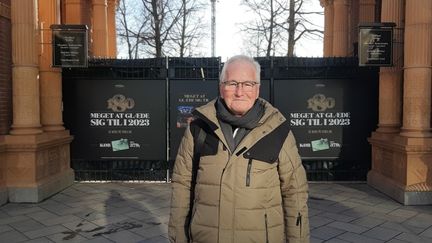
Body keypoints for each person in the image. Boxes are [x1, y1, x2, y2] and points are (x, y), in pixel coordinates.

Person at [169, 55, 309, 243]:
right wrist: (178, 237)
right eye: (232, 83)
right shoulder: (199, 129)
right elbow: (182, 186)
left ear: (257, 88)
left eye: (248, 84)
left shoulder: (277, 130)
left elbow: (295, 193)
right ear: (221, 87)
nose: (239, 92)